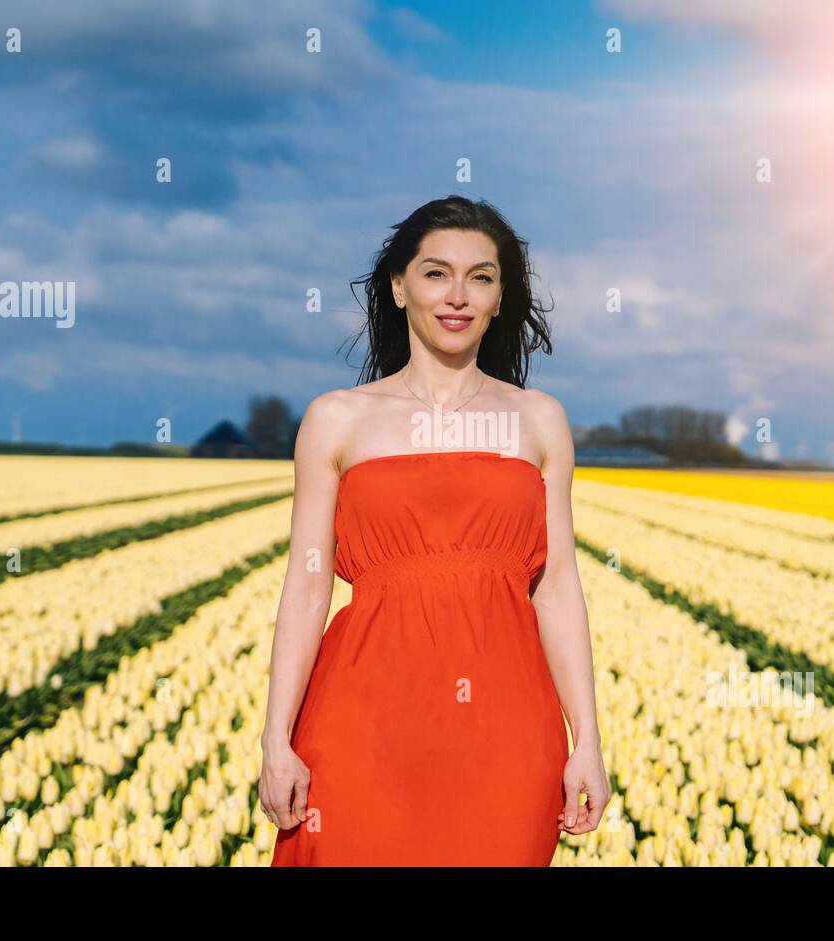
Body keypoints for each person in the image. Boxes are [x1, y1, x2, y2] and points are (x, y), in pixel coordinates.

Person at [260, 195, 609, 866]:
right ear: (397, 286)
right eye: (434, 272)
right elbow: (305, 588)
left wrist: (587, 737)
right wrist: (277, 739)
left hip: (507, 734)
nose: (458, 295)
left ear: (502, 296)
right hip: (361, 723)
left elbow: (557, 586)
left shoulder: (539, 421)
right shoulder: (336, 420)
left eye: (481, 276)